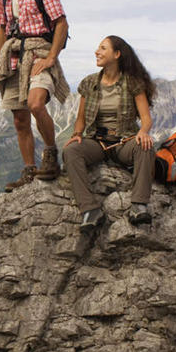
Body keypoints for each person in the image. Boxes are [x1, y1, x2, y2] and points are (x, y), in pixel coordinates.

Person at [0, 0, 70, 192]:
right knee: (19, 120)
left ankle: (50, 155)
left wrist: (51, 58)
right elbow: (2, 30)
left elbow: (61, 23)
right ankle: (28, 170)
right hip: (14, 56)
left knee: (35, 103)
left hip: (38, 53)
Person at [62, 35, 157, 232]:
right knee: (71, 151)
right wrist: (77, 133)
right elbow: (80, 118)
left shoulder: (132, 82)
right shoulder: (89, 83)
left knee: (145, 146)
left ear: (117, 54)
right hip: (97, 141)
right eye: (98, 48)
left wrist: (143, 132)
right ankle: (90, 210)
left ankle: (138, 206)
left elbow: (146, 118)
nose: (97, 52)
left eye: (103, 48)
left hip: (124, 140)